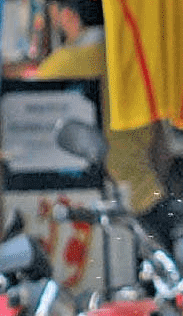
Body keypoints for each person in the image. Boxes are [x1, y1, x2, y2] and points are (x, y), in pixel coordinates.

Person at [34, 0, 170, 246]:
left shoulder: (55, 68)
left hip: (83, 211)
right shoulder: (137, 59)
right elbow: (160, 140)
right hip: (144, 197)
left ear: (68, 17)